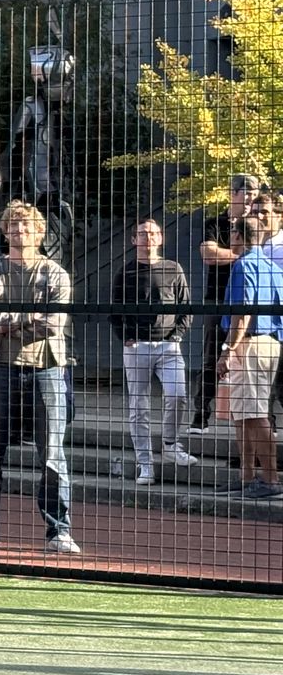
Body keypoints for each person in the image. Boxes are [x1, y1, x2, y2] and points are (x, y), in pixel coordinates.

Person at [0, 201, 80, 553]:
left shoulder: (56, 273)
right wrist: (26, 319)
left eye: (27, 225)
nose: (20, 231)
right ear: (4, 231)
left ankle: (59, 531)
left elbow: (53, 324)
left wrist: (9, 323)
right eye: (13, 226)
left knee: (51, 455)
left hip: (47, 369)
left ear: (40, 231)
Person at [109, 218, 198, 485]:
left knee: (178, 395)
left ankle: (171, 444)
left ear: (161, 238)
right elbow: (115, 310)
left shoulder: (174, 268)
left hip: (169, 346)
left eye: (153, 233)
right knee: (139, 407)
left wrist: (178, 335)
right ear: (134, 240)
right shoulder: (125, 272)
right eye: (142, 234)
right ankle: (145, 464)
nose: (148, 238)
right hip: (137, 347)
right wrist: (126, 338)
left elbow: (186, 306)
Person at [219, 214, 283, 498]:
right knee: (242, 412)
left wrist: (228, 350)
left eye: (232, 232)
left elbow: (241, 313)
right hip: (270, 342)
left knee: (255, 413)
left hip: (249, 343)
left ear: (238, 236)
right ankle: (246, 477)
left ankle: (269, 480)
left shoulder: (242, 265)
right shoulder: (273, 267)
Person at [192, 174, 261, 434]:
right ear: (233, 193)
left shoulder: (258, 225)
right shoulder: (217, 223)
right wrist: (243, 256)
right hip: (218, 298)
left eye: (255, 193)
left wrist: (231, 256)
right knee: (212, 355)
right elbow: (208, 254)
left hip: (252, 299)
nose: (251, 198)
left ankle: (263, 419)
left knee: (253, 359)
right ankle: (201, 415)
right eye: (247, 192)